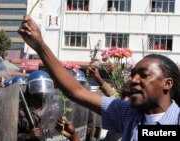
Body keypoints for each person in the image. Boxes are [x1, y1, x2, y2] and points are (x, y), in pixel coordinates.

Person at [18, 16, 180, 141]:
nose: (134, 80)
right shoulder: (127, 113)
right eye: (133, 75)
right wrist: (40, 46)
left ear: (167, 83)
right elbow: (77, 91)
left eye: (144, 75)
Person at [18, 70, 55, 141]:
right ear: (30, 88)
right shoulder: (20, 111)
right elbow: (10, 135)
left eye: (46, 86)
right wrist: (27, 136)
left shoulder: (52, 109)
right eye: (38, 86)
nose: (43, 90)